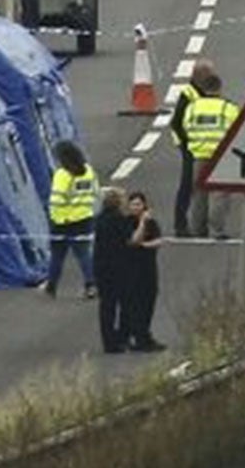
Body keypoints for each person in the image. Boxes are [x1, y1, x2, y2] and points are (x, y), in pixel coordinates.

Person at [176, 73, 238, 239]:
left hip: (199, 155)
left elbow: (186, 126)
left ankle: (198, 229)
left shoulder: (193, 107)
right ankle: (217, 230)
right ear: (219, 88)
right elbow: (238, 130)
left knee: (199, 193)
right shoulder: (228, 108)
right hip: (221, 156)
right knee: (219, 193)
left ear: (203, 89)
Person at [42, 140, 99, 299]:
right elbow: (95, 192)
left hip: (62, 220)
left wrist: (54, 217)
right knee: (84, 254)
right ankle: (91, 285)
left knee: (57, 255)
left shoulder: (62, 174)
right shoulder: (88, 170)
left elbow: (57, 199)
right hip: (84, 218)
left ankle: (51, 286)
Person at [122, 192, 166, 352]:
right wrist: (142, 223)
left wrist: (147, 245)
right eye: (133, 204)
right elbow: (134, 240)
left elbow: (159, 240)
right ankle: (137, 336)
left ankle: (145, 335)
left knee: (149, 301)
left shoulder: (152, 223)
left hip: (148, 267)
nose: (136, 207)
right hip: (132, 269)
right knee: (135, 304)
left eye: (139, 204)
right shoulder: (126, 222)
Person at [93, 188, 134, 351]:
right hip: (119, 267)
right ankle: (122, 337)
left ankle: (108, 340)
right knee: (126, 303)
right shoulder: (119, 220)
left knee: (107, 306)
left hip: (101, 266)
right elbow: (129, 240)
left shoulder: (100, 220)